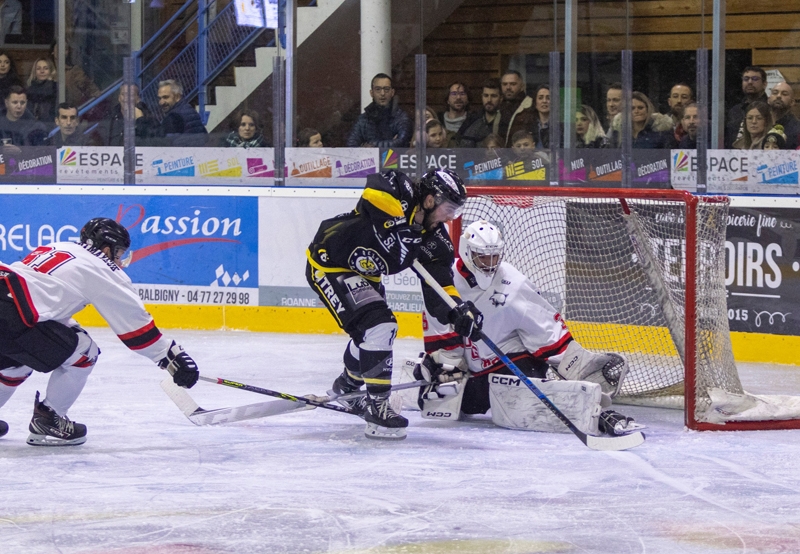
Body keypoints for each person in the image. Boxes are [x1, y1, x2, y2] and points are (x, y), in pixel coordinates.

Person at [414, 220, 635, 436]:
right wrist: (447, 367)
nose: (490, 263)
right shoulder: (444, 281)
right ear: (467, 252)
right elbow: (440, 331)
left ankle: (599, 418)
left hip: (512, 362)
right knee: (441, 400)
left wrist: (580, 367)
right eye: (482, 256)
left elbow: (545, 328)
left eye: (494, 256)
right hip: (473, 372)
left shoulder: (512, 281)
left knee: (523, 388)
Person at [306, 168, 479, 440]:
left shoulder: (436, 241)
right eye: (449, 208)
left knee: (372, 333)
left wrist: (458, 311)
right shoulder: (401, 190)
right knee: (380, 325)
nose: (450, 217)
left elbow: (440, 292)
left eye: (456, 212)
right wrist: (400, 222)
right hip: (330, 262)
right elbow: (374, 189)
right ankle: (378, 409)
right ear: (431, 200)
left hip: (366, 274)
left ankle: (347, 388)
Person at [0, 218, 200, 446]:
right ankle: (50, 418)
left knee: (17, 361)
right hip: (12, 318)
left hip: (6, 302)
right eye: (119, 253)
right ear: (106, 248)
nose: (119, 261)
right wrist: (172, 358)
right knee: (85, 352)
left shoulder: (57, 246)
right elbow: (137, 331)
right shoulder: (103, 268)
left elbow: (42, 301)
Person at [346, 73, 412, 148]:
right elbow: (351, 145)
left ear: (392, 92)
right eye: (378, 89)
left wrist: (368, 147)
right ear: (371, 93)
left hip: (396, 159)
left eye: (386, 89)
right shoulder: (363, 119)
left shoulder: (401, 117)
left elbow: (402, 142)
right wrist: (392, 143)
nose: (382, 93)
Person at [610, 92, 676, 149]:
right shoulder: (618, 133)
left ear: (648, 109)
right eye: (632, 108)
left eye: (640, 108)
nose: (636, 111)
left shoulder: (661, 132)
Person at [152, 79, 208, 146]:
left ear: (177, 97)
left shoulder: (173, 117)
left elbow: (163, 145)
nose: (161, 102)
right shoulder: (189, 110)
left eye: (165, 97)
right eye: (160, 98)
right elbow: (205, 137)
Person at [726, 66, 767, 149]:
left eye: (755, 79)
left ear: (764, 84)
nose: (750, 82)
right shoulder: (735, 111)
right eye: (746, 79)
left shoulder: (770, 109)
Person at [455, 78, 501, 147]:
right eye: (486, 95)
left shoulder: (505, 120)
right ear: (482, 96)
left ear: (501, 98)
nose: (489, 100)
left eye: (493, 96)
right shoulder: (472, 120)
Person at [497, 70, 536, 147]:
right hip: (503, 156)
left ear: (522, 86)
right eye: (504, 84)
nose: (508, 87)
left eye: (513, 84)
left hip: (524, 155)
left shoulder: (531, 106)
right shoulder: (499, 107)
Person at [768, 81, 800, 150]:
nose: (779, 96)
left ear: (792, 102)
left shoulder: (797, 129)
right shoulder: (761, 123)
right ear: (768, 99)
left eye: (784, 94)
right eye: (775, 93)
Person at [26, 57, 57, 124]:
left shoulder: (56, 87)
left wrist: (49, 83)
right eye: (38, 68)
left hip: (51, 123)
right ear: (34, 71)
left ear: (51, 70)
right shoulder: (29, 90)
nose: (42, 71)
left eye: (46, 68)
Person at [532, 84, 551, 149]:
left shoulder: (561, 127)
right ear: (535, 103)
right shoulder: (529, 126)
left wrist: (560, 160)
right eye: (540, 98)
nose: (544, 101)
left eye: (548, 98)